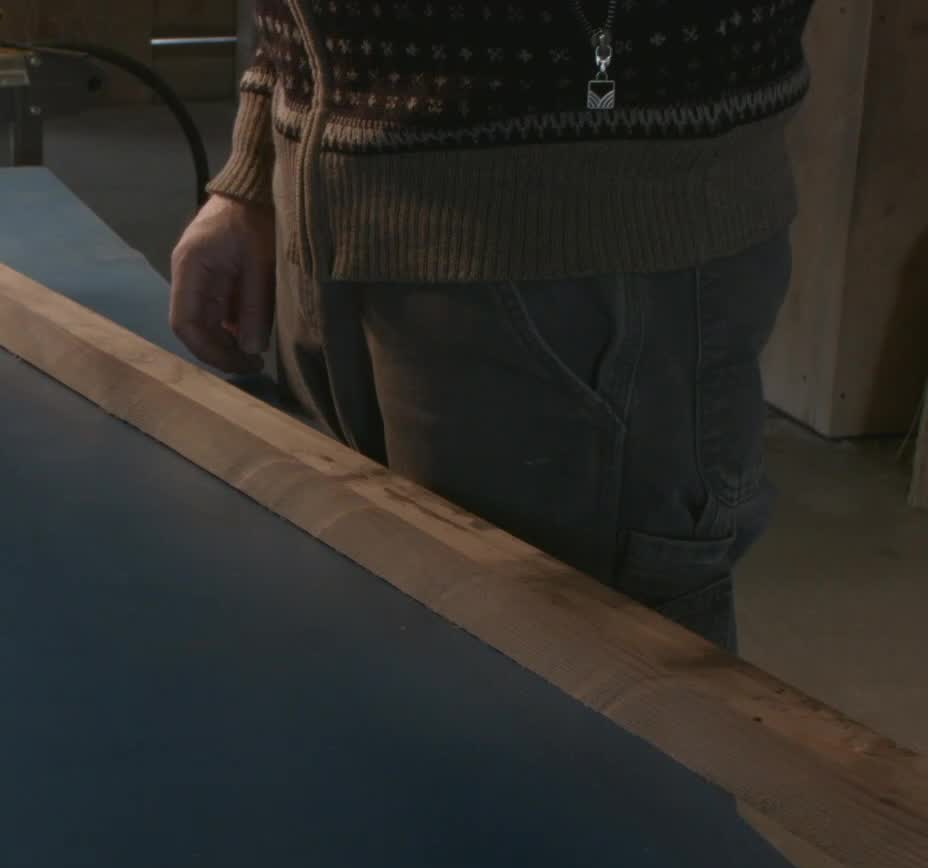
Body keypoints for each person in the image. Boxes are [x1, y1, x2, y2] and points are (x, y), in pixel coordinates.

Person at [169, 0, 813, 651]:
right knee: (378, 643)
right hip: (326, 214)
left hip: (575, 236)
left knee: (587, 671)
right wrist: (256, 162)